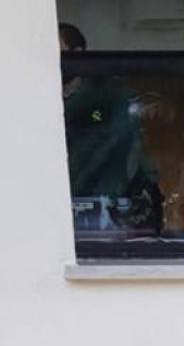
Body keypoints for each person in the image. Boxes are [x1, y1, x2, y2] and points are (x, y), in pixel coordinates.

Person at [59, 23, 163, 233]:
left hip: (107, 215)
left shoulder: (112, 97)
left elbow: (121, 155)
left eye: (54, 50)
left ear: (77, 54)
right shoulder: (35, 98)